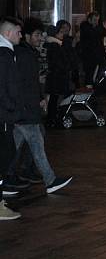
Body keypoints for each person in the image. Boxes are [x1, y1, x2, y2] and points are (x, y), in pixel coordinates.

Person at [10, 18, 72, 195]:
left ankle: (12, 174)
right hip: (25, 109)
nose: (40, 38)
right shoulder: (23, 54)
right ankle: (49, 179)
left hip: (24, 108)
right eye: (36, 35)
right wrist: (36, 99)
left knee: (17, 144)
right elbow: (24, 83)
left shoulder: (25, 52)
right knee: (36, 142)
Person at [0, 17, 23, 220]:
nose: (20, 35)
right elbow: (6, 87)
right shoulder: (4, 54)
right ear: (8, 33)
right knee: (5, 154)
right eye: (18, 32)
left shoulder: (6, 53)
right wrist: (11, 109)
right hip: (4, 115)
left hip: (5, 114)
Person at [79, 12, 106, 86]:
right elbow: (92, 36)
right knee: (89, 76)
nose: (96, 22)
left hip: (97, 57)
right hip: (89, 57)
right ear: (89, 20)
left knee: (96, 75)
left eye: (97, 20)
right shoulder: (85, 27)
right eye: (94, 20)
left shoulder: (96, 28)